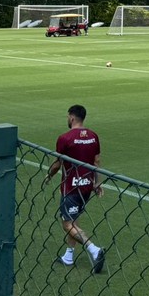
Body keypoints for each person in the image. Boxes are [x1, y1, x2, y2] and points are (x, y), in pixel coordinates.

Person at [44, 104, 106, 273]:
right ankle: (69, 256)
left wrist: (49, 175)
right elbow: (97, 161)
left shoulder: (65, 138)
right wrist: (97, 183)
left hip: (71, 187)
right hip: (86, 187)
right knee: (74, 218)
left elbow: (58, 164)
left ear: (71, 117)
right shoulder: (93, 136)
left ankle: (94, 249)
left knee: (67, 224)